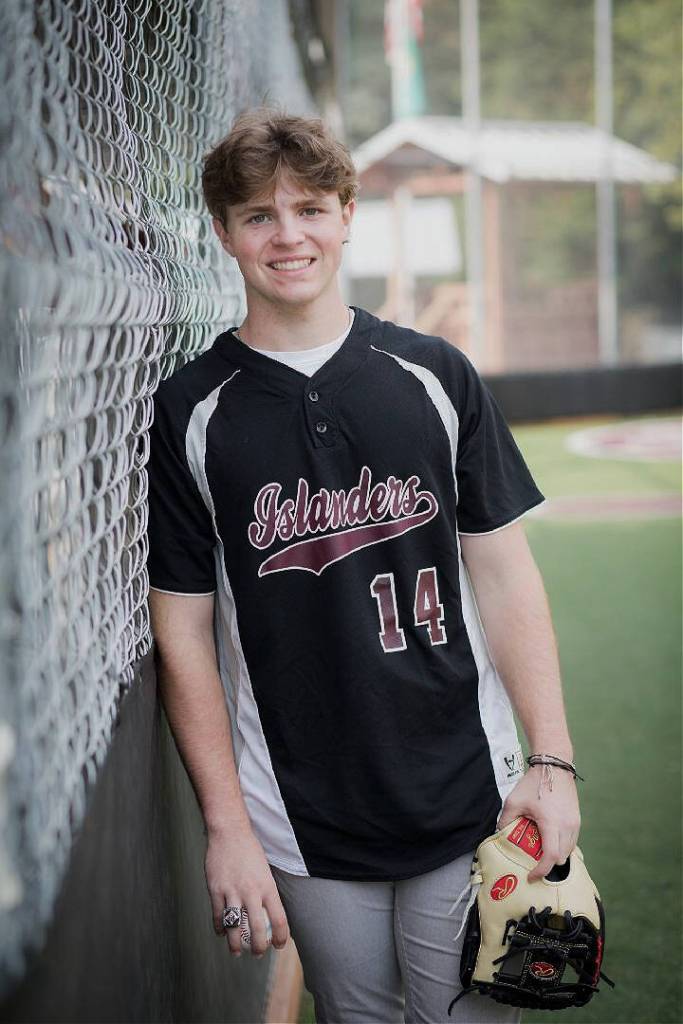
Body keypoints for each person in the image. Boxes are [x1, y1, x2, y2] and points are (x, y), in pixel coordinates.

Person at [146, 107, 581, 1024]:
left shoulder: (431, 373)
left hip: (466, 786)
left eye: (309, 207)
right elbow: (181, 628)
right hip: (297, 808)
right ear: (222, 233)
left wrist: (551, 761)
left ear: (347, 215)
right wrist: (226, 827)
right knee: (356, 1017)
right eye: (258, 216)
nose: (288, 234)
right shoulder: (191, 410)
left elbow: (505, 578)